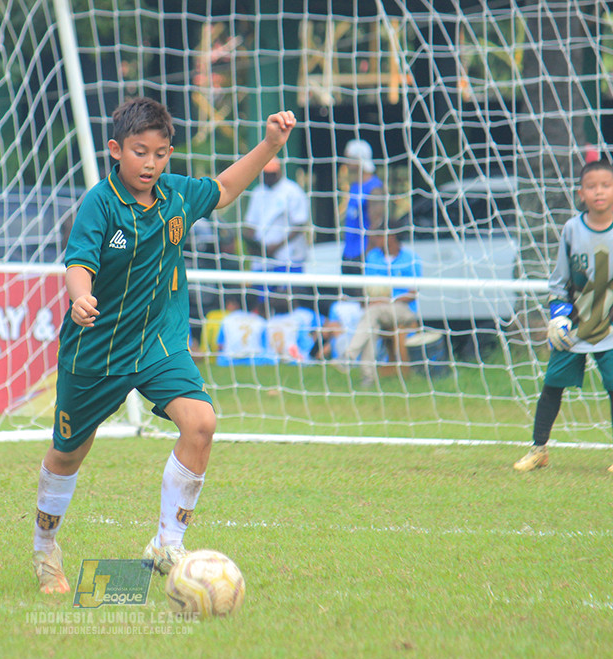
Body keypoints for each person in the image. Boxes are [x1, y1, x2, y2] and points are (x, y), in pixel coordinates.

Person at [31, 96, 296, 593]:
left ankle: (165, 545)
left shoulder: (176, 196)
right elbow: (79, 261)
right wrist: (81, 298)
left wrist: (269, 144)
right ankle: (46, 550)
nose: (149, 163)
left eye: (159, 153)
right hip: (98, 350)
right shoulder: (100, 202)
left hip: (159, 343)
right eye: (138, 151)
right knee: (68, 453)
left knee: (201, 424)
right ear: (116, 150)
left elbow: (223, 187)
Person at [514, 159, 613, 472]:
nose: (600, 191)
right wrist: (558, 316)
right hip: (576, 326)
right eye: (592, 186)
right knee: (552, 386)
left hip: (610, 328)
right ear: (581, 193)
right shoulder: (572, 229)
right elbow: (559, 283)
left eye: (606, 185)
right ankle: (539, 449)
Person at [337, 218, 421, 386]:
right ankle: (367, 378)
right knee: (371, 323)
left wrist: (388, 300)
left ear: (391, 237)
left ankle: (350, 357)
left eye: (378, 236)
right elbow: (368, 288)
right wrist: (375, 300)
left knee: (372, 314)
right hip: (376, 309)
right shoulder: (373, 257)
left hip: (402, 308)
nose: (374, 240)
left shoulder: (411, 258)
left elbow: (413, 293)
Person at [242, 156, 310, 311]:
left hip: (287, 258)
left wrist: (277, 246)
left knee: (286, 304)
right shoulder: (258, 192)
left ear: (279, 172)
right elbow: (249, 225)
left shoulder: (292, 191)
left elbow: (300, 225)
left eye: (271, 173)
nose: (268, 177)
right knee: (261, 304)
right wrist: (251, 243)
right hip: (262, 259)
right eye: (265, 173)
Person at [339, 139, 385, 281]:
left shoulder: (374, 188)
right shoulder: (354, 185)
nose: (346, 162)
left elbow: (376, 224)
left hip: (363, 253)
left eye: (349, 158)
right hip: (348, 252)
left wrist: (367, 254)